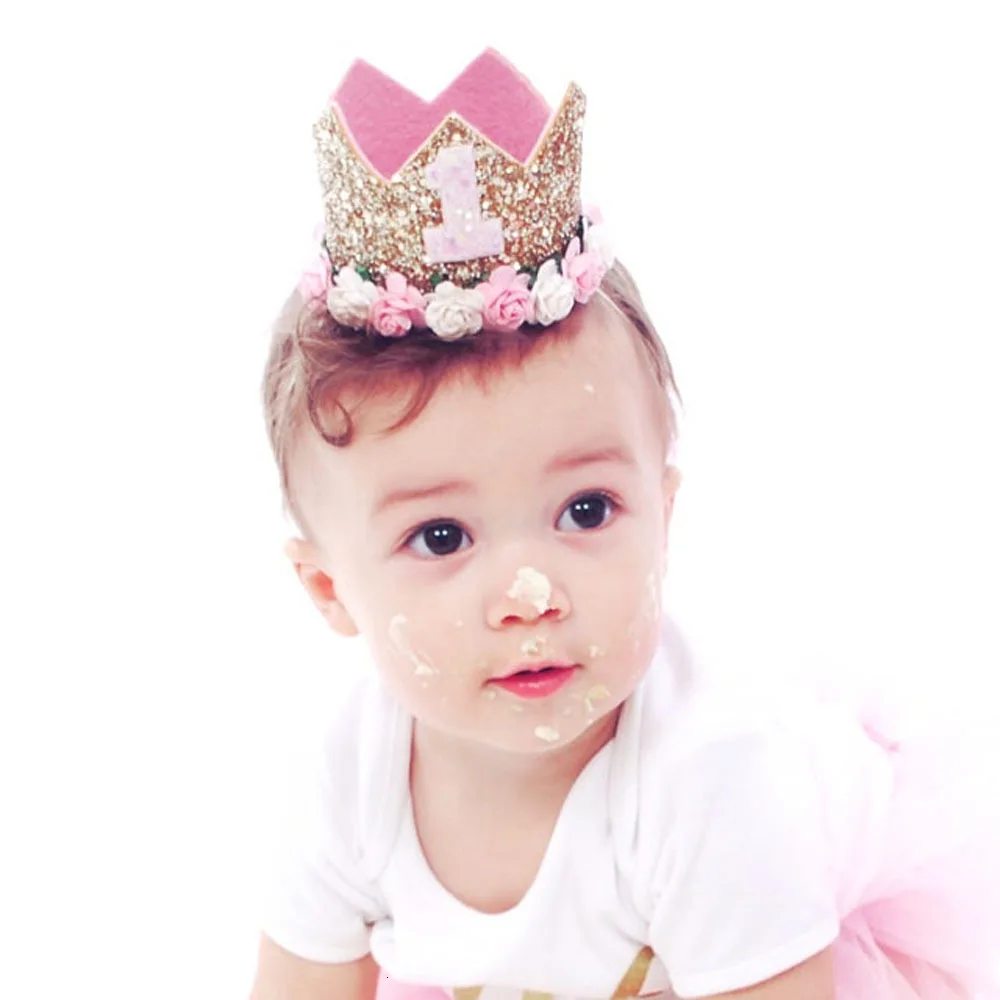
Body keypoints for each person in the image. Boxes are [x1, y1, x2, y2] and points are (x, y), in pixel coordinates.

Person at [250, 48, 1000, 1000]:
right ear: (329, 589)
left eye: (587, 510)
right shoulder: (343, 775)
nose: (529, 595)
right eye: (441, 537)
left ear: (664, 518)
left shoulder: (710, 778)